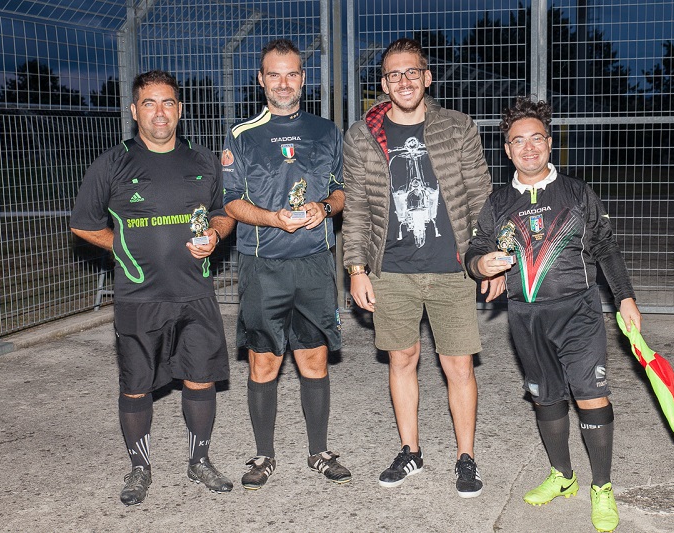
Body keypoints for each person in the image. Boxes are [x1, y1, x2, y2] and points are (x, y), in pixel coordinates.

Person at [464, 97, 642, 532]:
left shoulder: (577, 192)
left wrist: (625, 297)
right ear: (506, 150)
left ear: (549, 142)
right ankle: (563, 476)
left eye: (536, 139)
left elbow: (605, 247)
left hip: (578, 311)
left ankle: (602, 486)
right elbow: (475, 250)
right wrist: (480, 265)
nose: (528, 148)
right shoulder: (498, 201)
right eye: (517, 141)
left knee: (589, 394)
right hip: (525, 317)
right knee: (545, 397)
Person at [342, 38, 503, 498]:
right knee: (402, 359)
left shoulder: (456, 127)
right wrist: (356, 269)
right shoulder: (362, 136)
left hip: (452, 268)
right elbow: (355, 208)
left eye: (412, 72)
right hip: (390, 270)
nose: (404, 81)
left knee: (458, 366)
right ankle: (410, 451)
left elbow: (480, 196)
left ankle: (465, 457)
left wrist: (487, 262)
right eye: (394, 74)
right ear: (383, 84)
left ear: (427, 77)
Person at [70, 70, 235, 506]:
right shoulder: (113, 162)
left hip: (195, 293)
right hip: (138, 297)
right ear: (134, 111)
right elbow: (84, 225)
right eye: (149, 103)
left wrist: (215, 235)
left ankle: (199, 460)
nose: (159, 112)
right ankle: (139, 468)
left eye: (167, 103)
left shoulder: (202, 161)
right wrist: (122, 247)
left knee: (201, 380)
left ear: (180, 110)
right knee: (136, 385)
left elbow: (223, 212)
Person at [221, 38, 350, 490]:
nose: (283, 82)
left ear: (303, 78)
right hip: (263, 264)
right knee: (264, 363)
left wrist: (325, 208)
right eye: (273, 74)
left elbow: (341, 190)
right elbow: (231, 203)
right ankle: (264, 455)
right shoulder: (241, 134)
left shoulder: (327, 131)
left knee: (314, 360)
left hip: (314, 263)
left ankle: (319, 451)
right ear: (260, 80)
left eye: (292, 73)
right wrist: (273, 218)